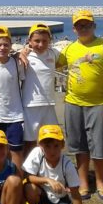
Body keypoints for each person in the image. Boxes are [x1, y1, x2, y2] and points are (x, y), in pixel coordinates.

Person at [60, 10, 103, 200]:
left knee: (99, 144)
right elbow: (48, 62)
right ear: (74, 28)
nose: (84, 28)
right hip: (73, 104)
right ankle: (83, 182)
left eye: (87, 24)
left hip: (99, 104)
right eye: (80, 25)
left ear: (94, 26)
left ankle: (101, 181)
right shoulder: (69, 49)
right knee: (79, 145)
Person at [23, 125, 92, 204]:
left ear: (62, 145)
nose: (52, 150)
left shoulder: (67, 164)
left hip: (60, 198)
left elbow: (75, 194)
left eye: (56, 146)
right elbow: (28, 177)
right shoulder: (37, 153)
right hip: (42, 194)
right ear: (40, 145)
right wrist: (48, 180)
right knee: (29, 188)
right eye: (47, 146)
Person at [0, 26, 27, 169]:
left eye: (6, 45)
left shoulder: (17, 63)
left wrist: (22, 52)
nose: (2, 48)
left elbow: (24, 82)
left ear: (11, 46)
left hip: (15, 115)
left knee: (16, 151)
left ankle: (17, 181)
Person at [20, 23, 63, 155]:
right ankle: (27, 172)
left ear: (50, 41)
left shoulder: (54, 53)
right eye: (36, 41)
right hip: (30, 104)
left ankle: (48, 168)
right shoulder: (24, 55)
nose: (40, 44)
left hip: (49, 104)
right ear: (29, 41)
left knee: (52, 139)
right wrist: (21, 53)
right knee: (30, 142)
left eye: (45, 41)